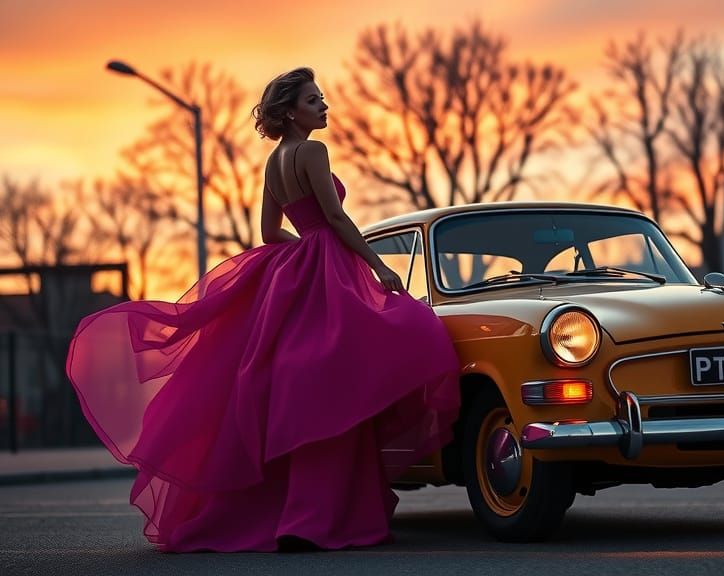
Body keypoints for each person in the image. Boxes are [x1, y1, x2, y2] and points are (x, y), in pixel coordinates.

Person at [65, 67, 461, 552]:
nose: (324, 106)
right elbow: (335, 216)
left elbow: (270, 233)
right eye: (314, 100)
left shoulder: (274, 164)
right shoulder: (313, 151)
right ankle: (325, 514)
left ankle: (302, 513)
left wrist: (302, 251)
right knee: (377, 354)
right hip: (327, 267)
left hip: (299, 267)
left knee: (304, 385)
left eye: (322, 98)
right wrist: (375, 265)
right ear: (292, 111)